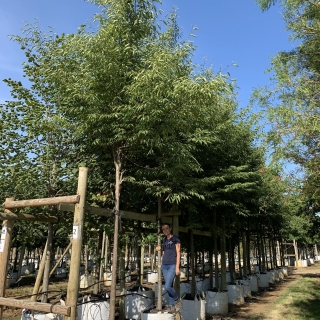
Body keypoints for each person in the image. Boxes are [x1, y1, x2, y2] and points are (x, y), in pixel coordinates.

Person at [156, 223, 181, 313]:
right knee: (169, 285)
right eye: (163, 229)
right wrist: (159, 248)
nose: (165, 230)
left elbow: (178, 253)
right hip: (164, 265)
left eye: (166, 228)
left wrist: (177, 267)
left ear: (170, 228)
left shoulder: (175, 239)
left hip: (172, 265)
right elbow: (164, 250)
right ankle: (171, 306)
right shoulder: (164, 240)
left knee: (167, 287)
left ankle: (176, 299)